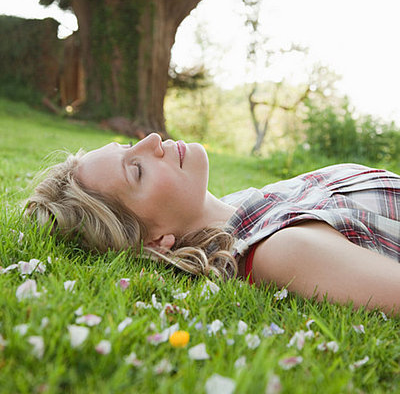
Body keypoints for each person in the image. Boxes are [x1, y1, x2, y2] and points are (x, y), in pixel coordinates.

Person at [25, 133, 400, 316]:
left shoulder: (243, 206)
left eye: (127, 145)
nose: (152, 140)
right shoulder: (280, 250)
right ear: (157, 242)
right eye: (136, 170)